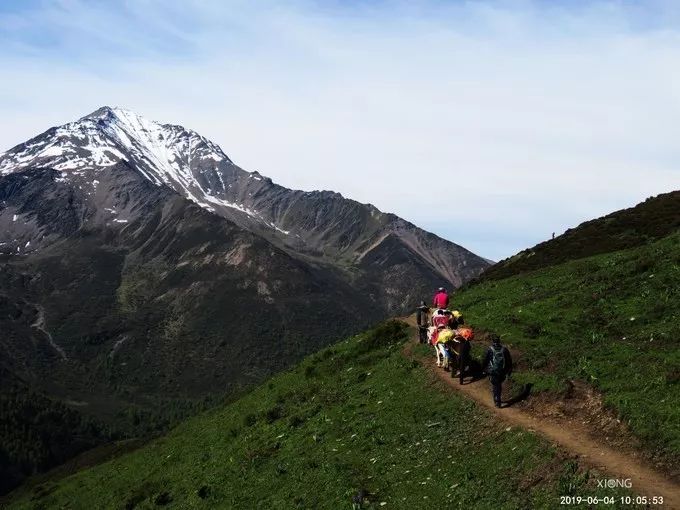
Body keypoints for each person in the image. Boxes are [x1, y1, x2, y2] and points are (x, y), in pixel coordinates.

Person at [482, 334, 513, 408]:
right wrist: (509, 371)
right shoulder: (504, 349)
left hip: (492, 370)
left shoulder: (490, 349)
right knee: (498, 385)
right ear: (499, 341)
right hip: (501, 371)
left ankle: (497, 400)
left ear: (493, 341)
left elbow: (486, 360)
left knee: (495, 385)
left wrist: (484, 369)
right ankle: (497, 399)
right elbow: (509, 361)